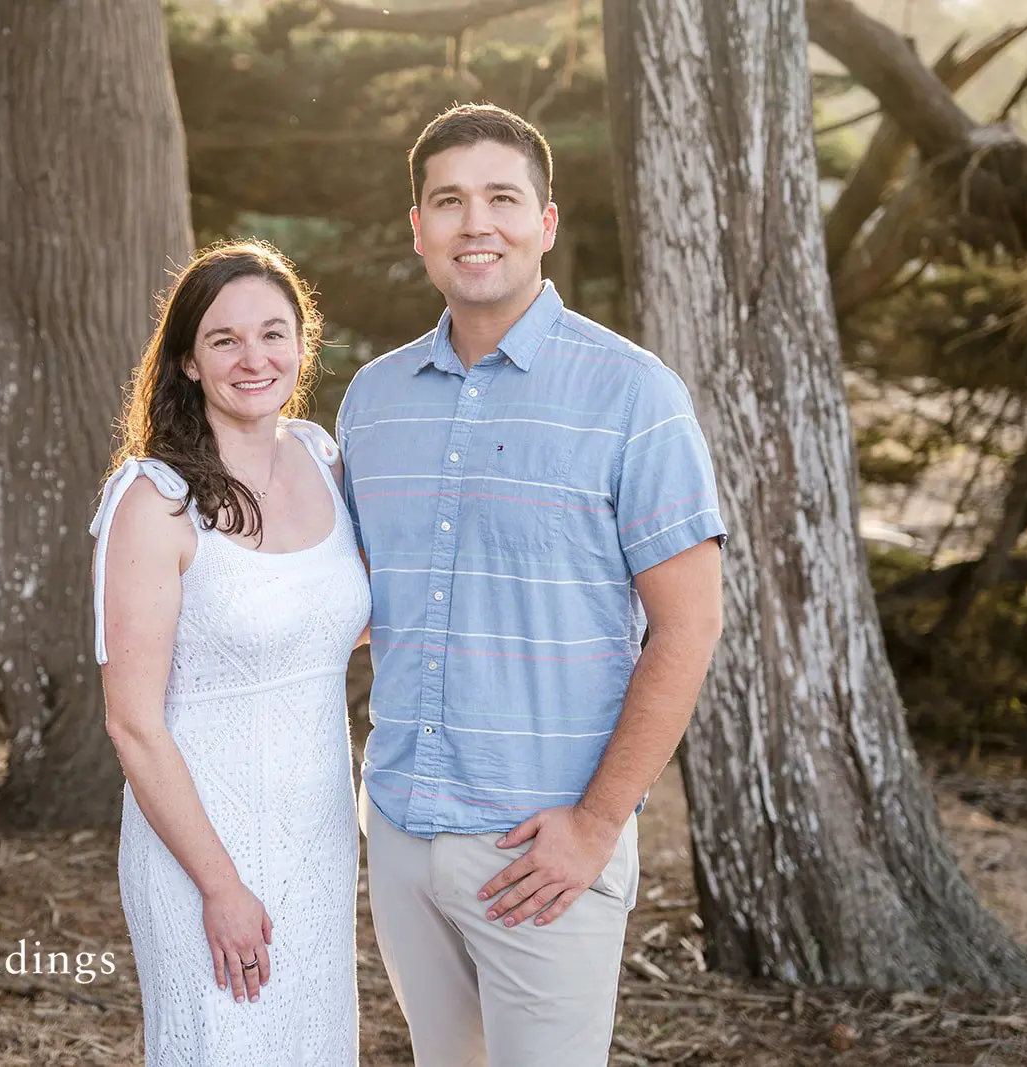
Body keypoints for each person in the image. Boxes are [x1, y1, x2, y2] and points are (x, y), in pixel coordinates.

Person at [336, 103, 728, 1067]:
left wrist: (595, 827)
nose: (477, 223)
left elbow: (688, 628)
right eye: (449, 201)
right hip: (400, 829)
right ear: (418, 228)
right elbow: (352, 603)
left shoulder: (635, 395)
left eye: (503, 198)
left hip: (543, 847)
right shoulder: (372, 401)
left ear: (545, 222)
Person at [90, 240, 370, 1066]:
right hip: (203, 852)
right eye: (225, 339)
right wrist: (219, 885)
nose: (255, 359)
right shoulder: (155, 501)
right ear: (188, 360)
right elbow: (132, 723)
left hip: (320, 837)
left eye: (273, 334)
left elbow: (323, 620)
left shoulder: (324, 459)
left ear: (301, 345)